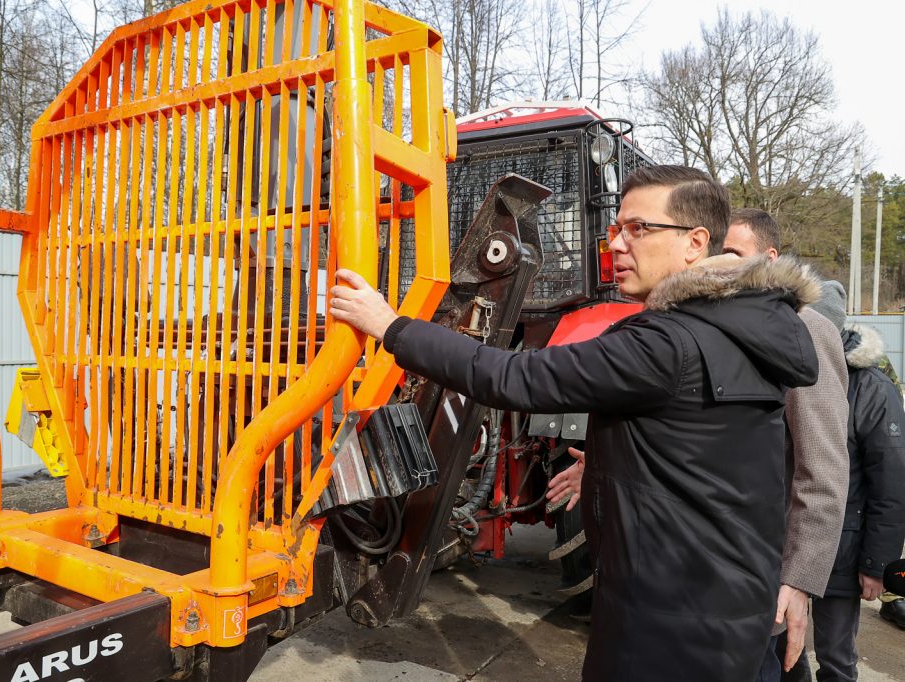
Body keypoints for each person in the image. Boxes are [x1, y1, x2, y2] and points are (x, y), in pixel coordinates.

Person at [330, 165, 820, 681]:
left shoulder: (664, 343)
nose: (617, 245)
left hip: (666, 628)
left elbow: (512, 378)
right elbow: (710, 453)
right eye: (615, 228)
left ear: (695, 242)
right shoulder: (745, 327)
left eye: (639, 229)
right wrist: (623, 457)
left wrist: (390, 326)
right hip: (728, 605)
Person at [723, 208, 850, 681]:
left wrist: (799, 579)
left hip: (764, 571)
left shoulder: (805, 330)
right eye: (717, 251)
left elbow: (823, 467)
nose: (722, 263)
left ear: (769, 257)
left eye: (734, 252)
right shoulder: (719, 325)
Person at [792, 286, 905, 680]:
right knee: (783, 649)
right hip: (787, 542)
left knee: (836, 658)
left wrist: (877, 565)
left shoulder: (871, 389)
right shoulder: (786, 371)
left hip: (844, 548)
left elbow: (890, 483)